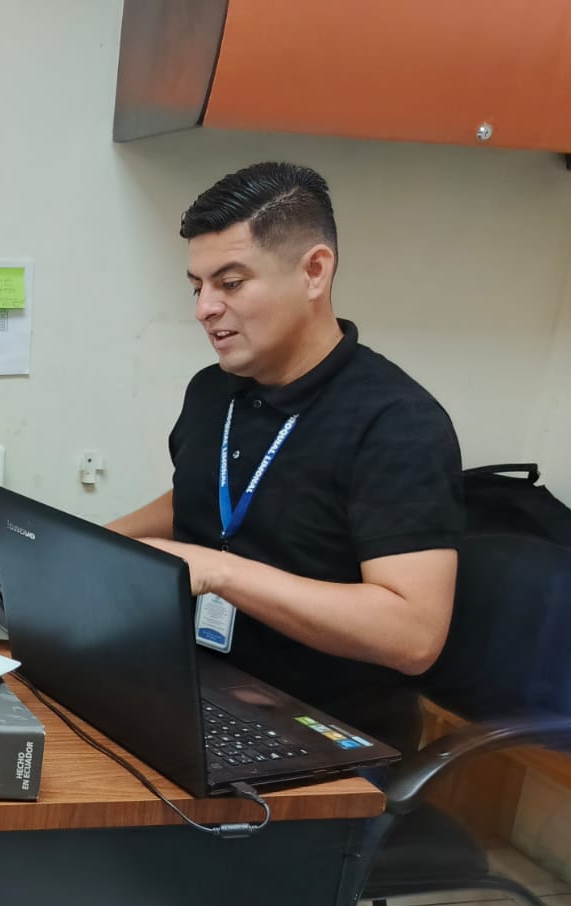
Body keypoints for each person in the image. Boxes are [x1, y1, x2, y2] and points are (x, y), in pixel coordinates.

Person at [108, 162, 463, 753]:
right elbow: (196, 498)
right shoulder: (212, 389)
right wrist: (85, 544)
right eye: (197, 287)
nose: (204, 308)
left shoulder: (398, 422)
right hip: (195, 682)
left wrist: (220, 572)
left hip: (323, 730)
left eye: (230, 283)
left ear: (313, 271)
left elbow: (414, 635)